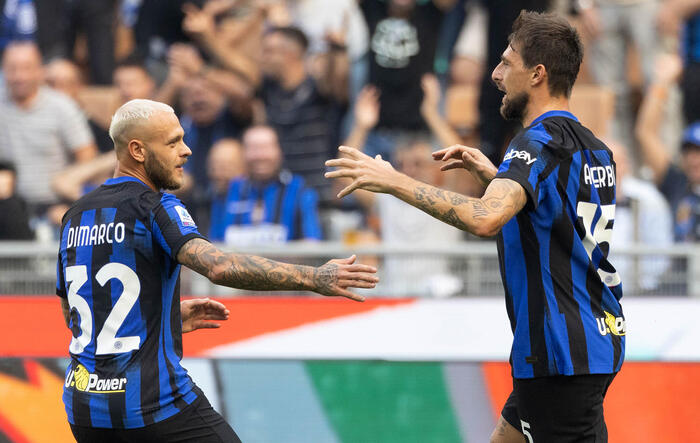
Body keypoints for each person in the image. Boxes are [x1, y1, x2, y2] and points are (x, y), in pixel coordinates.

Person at [326, 11, 624, 441]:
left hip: (559, 354)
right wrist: (497, 178)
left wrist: (394, 180)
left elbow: (485, 220)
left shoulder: (536, 143)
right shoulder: (595, 149)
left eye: (507, 62)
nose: (496, 73)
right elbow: (555, 222)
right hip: (593, 338)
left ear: (537, 74)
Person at [57, 99, 378, 442]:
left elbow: (74, 315)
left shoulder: (75, 215)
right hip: (154, 405)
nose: (186, 150)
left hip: (85, 410)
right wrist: (314, 277)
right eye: (173, 142)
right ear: (137, 150)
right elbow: (219, 266)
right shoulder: (155, 206)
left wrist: (165, 319)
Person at [0, 41, 97, 217]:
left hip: (54, 205)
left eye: (26, 68)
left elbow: (87, 158)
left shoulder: (62, 106)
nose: (19, 76)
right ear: (3, 70)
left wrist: (74, 204)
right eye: (12, 69)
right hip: (7, 204)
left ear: (40, 71)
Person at [209, 124, 322, 244]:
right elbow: (214, 243)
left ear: (279, 151)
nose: (260, 156)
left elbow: (311, 243)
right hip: (233, 263)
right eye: (253, 148)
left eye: (266, 148)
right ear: (243, 153)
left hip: (285, 262)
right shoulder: (228, 190)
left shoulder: (299, 190)